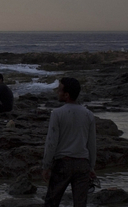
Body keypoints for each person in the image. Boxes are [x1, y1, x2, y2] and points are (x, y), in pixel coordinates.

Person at [42, 77, 96, 207]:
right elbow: (92, 145)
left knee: (51, 202)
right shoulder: (88, 114)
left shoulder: (57, 113)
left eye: (59, 90)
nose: (57, 92)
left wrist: (46, 166)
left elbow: (51, 142)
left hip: (63, 163)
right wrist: (92, 167)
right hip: (82, 164)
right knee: (80, 204)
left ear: (66, 95)